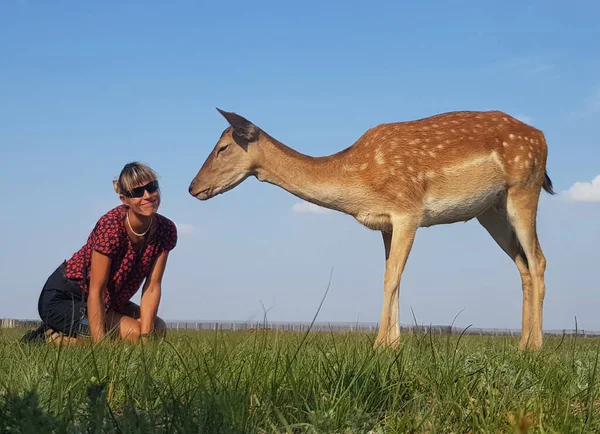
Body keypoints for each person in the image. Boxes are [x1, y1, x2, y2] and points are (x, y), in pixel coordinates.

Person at [21, 162, 177, 344]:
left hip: (111, 301)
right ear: (124, 200)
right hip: (68, 296)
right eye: (137, 192)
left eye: (151, 187)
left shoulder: (166, 230)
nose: (147, 196)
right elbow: (97, 290)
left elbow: (152, 286)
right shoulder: (111, 227)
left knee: (157, 329)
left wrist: (146, 336)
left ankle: (72, 333)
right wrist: (101, 345)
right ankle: (46, 339)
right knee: (130, 334)